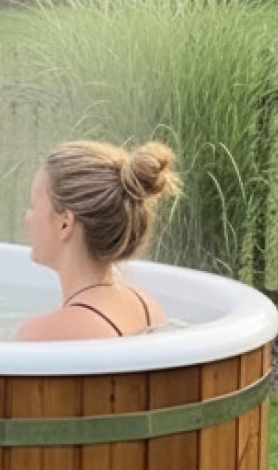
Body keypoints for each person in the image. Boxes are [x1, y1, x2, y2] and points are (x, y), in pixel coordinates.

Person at [17, 139, 181, 341]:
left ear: (65, 224)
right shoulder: (149, 309)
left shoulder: (41, 333)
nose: (27, 217)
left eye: (33, 206)